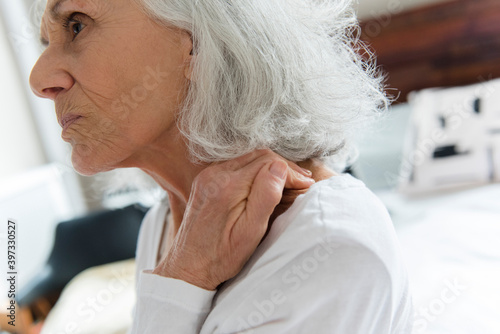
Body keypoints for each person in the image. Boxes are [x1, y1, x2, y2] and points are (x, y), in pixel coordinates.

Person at [30, 0, 413, 332]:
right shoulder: (162, 224)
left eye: (77, 25)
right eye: (46, 43)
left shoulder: (327, 248)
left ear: (197, 38)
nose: (38, 79)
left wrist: (181, 280)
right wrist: (181, 275)